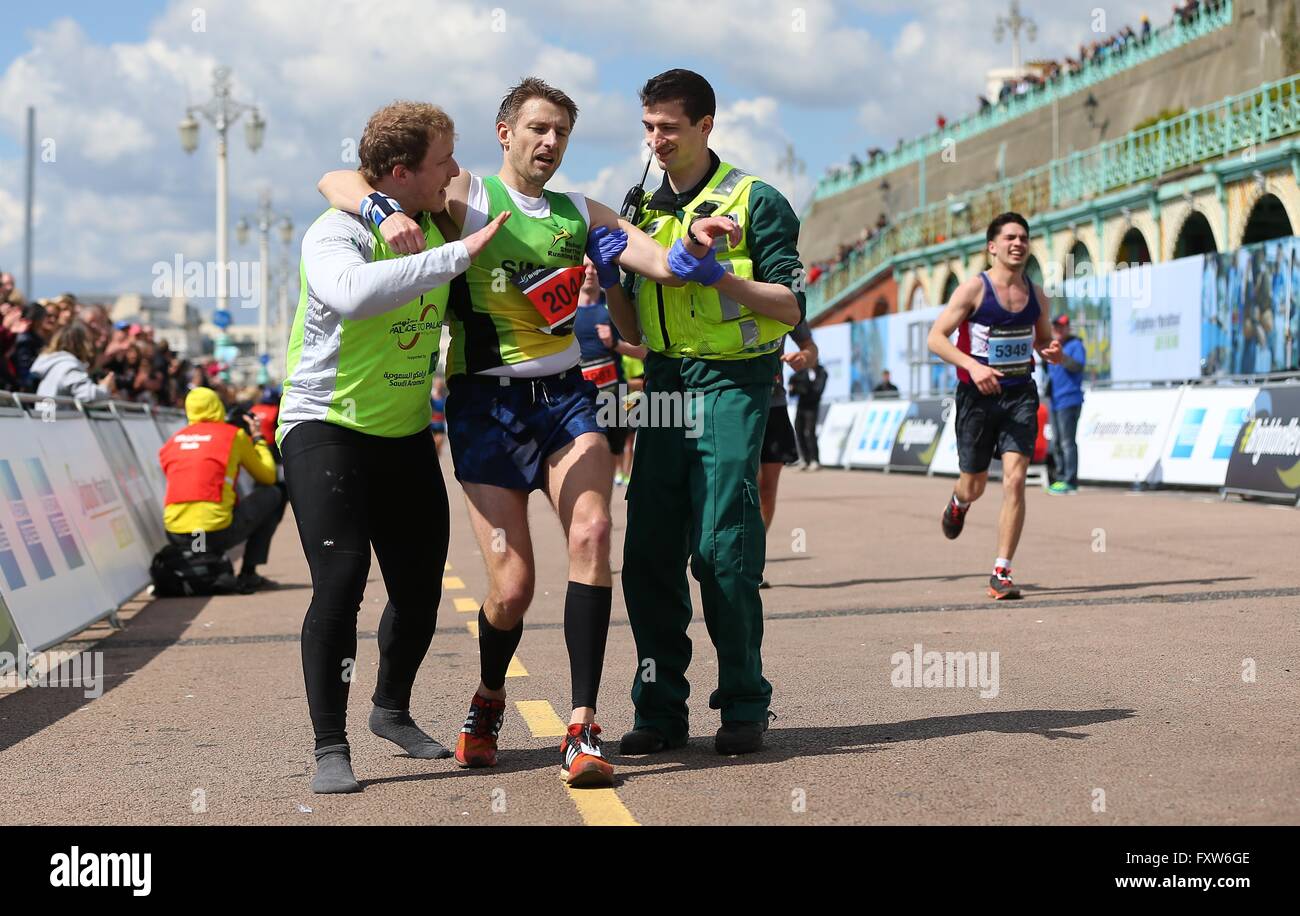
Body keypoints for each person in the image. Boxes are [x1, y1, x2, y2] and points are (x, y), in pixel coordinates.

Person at [318, 78, 740, 786]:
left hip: (569, 401)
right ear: (505, 131)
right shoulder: (465, 197)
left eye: (563, 134)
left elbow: (664, 266)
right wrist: (380, 208)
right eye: (538, 129)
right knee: (511, 589)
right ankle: (488, 694)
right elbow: (336, 178)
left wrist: (696, 246)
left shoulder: (581, 212)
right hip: (487, 408)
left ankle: (581, 725)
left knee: (594, 534)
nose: (550, 144)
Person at [285, 101, 511, 794]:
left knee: (418, 590)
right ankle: (330, 745)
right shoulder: (337, 232)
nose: (455, 170)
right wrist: (452, 254)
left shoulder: (439, 217)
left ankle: (392, 710)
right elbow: (351, 295)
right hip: (327, 427)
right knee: (342, 582)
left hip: (407, 434)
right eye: (443, 160)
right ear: (401, 173)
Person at [602, 69, 803, 757]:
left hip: (731, 381)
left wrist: (722, 277)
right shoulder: (640, 206)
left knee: (721, 548)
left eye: (670, 128)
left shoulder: (757, 200)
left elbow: (791, 308)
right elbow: (631, 325)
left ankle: (745, 701)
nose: (656, 140)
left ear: (706, 126)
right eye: (648, 127)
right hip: (660, 380)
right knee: (647, 553)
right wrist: (608, 281)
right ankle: (659, 709)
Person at [927, 212, 1062, 600]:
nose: (1018, 243)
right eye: (1009, 238)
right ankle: (959, 501)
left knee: (1016, 480)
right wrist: (972, 365)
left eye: (1023, 237)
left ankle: (1001, 571)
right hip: (977, 397)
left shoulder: (1037, 295)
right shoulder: (974, 290)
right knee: (976, 484)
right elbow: (936, 338)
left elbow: (1044, 340)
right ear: (992, 247)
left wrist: (1048, 350)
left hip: (1020, 394)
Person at [159, 386, 284, 592]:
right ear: (218, 406)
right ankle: (249, 573)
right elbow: (268, 476)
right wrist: (258, 438)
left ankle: (202, 559)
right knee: (272, 493)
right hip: (215, 532)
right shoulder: (233, 435)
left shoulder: (173, 440)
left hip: (176, 533)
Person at [574, 258, 646, 487]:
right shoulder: (564, 312)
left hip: (614, 400)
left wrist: (615, 344)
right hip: (579, 401)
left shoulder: (613, 307)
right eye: (585, 266)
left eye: (595, 267)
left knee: (616, 449)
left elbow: (644, 351)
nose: (591, 272)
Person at [758, 321, 817, 589]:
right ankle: (729, 559)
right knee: (738, 486)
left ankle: (752, 563)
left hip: (774, 403)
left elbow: (809, 346)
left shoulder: (783, 294)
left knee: (767, 490)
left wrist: (804, 357)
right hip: (732, 400)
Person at [1046, 315, 1086, 494]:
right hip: (1055, 401)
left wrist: (1060, 356)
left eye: (1062, 327)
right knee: (1056, 442)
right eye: (1056, 327)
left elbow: (1077, 366)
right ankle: (1060, 478)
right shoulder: (1053, 346)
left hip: (1070, 400)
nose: (1059, 330)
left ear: (1068, 328)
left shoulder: (1076, 345)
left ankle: (1070, 480)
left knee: (1067, 442)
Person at [30, 321, 115, 402]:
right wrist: (105, 386)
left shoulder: (53, 363)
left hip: (49, 416)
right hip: (60, 416)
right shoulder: (68, 367)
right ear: (82, 344)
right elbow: (89, 395)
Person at [789, 348, 827, 471]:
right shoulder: (801, 372)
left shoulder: (822, 372)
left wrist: (803, 389)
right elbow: (793, 387)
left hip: (812, 407)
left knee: (810, 432)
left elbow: (818, 390)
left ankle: (814, 460)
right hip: (801, 406)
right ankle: (804, 459)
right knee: (799, 431)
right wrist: (794, 388)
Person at [429, 376, 448, 455]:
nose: (438, 385)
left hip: (440, 425)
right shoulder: (430, 398)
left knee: (439, 446)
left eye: (439, 384)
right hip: (432, 425)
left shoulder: (444, 397)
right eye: (437, 384)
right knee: (433, 446)